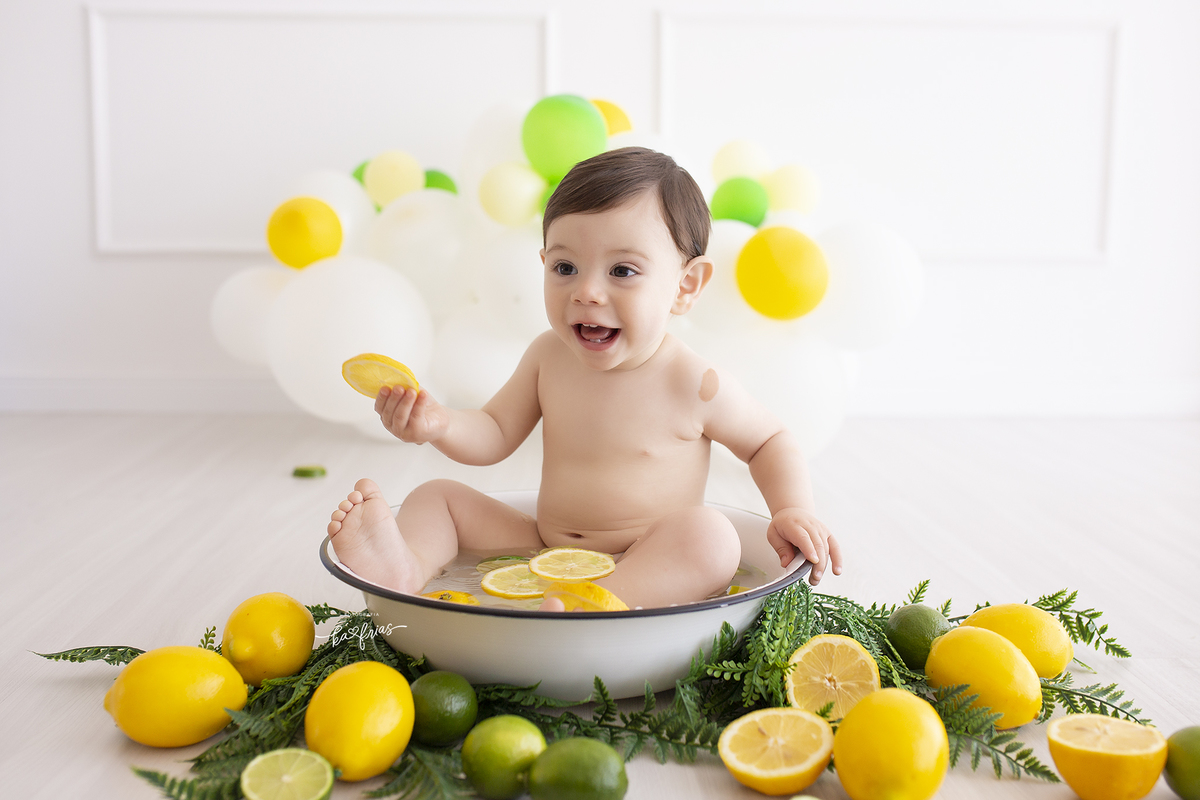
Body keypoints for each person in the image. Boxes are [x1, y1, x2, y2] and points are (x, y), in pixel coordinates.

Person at [327, 147, 842, 610]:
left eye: (622, 271)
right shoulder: (548, 356)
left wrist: (792, 509)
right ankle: (405, 569)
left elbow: (770, 440)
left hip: (646, 556)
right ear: (543, 263)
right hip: (544, 548)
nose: (587, 292)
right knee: (436, 497)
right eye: (566, 267)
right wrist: (439, 424)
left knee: (712, 537)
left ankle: (598, 603)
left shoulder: (693, 382)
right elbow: (494, 433)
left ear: (685, 285)